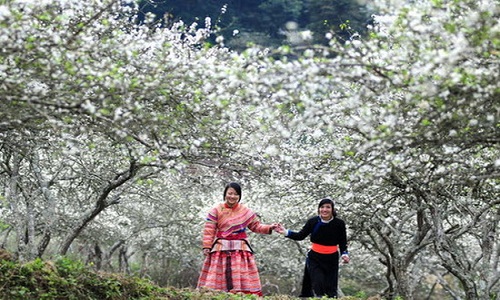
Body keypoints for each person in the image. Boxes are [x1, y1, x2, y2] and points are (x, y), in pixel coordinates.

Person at [197, 182, 278, 296]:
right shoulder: (215, 210)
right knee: (217, 277)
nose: (232, 196)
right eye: (230, 193)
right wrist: (207, 246)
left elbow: (256, 226)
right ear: (225, 194)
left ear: (239, 196)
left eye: (235, 194)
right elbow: (209, 230)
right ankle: (215, 296)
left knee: (241, 275)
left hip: (240, 250)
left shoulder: (246, 211)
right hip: (220, 249)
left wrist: (270, 227)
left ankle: (242, 296)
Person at [275, 198, 349, 298]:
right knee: (318, 284)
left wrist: (344, 254)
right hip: (315, 258)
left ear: (332, 209)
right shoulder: (313, 221)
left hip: (331, 259)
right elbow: (301, 236)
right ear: (319, 209)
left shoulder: (339, 223)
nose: (325, 210)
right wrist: (285, 232)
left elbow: (342, 241)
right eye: (322, 207)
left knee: (331, 288)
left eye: (328, 207)